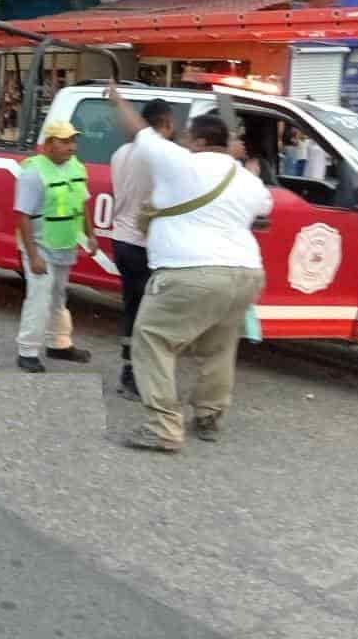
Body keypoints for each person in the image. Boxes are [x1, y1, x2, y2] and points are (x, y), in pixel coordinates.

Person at [108, 81, 273, 452]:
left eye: (187, 137)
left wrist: (117, 99)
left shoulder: (180, 162)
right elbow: (264, 210)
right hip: (246, 274)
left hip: (190, 271)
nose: (182, 140)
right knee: (219, 346)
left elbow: (139, 131)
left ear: (198, 141)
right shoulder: (246, 178)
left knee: (151, 338)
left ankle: (164, 427)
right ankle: (209, 418)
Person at [14, 120, 96, 373]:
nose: (71, 147)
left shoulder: (76, 168)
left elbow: (82, 203)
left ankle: (59, 343)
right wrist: (33, 256)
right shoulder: (33, 173)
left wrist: (90, 236)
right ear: (48, 145)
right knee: (39, 298)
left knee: (59, 296)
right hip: (40, 246)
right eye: (64, 141)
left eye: (73, 141)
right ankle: (27, 351)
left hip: (64, 244)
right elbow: (23, 216)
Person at [109, 99, 176, 398]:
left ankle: (128, 370)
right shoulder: (159, 157)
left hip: (121, 238)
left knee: (131, 308)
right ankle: (137, 376)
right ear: (165, 123)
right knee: (148, 315)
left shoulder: (121, 153)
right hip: (143, 244)